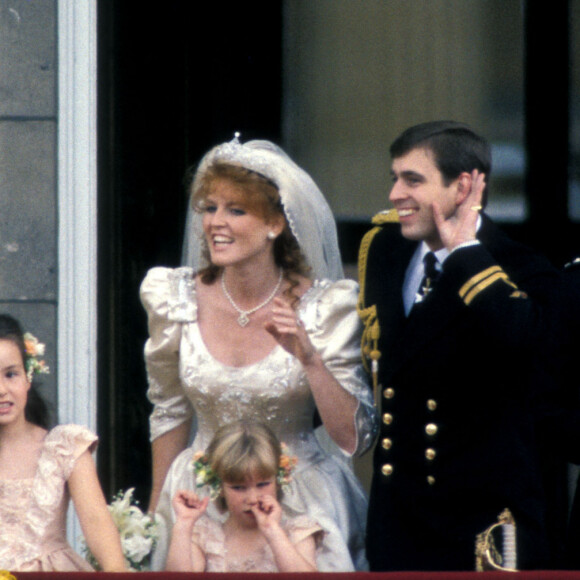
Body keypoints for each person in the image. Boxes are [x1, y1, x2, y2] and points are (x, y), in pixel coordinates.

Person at [140, 134, 377, 571]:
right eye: (210, 208)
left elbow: (353, 438)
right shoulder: (174, 298)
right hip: (201, 498)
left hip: (299, 502)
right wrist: (156, 517)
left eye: (236, 210)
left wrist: (309, 357)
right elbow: (169, 412)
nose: (216, 222)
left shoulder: (326, 307)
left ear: (275, 224)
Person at [357, 121, 562, 571]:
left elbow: (526, 341)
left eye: (413, 179)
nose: (394, 194)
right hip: (398, 522)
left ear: (464, 185)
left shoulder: (522, 269)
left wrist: (465, 252)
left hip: (481, 526)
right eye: (395, 177)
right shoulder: (386, 249)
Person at [0, 314, 126, 572]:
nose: (1, 389)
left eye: (11, 374)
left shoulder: (63, 447)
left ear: (28, 376)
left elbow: (97, 525)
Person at [166, 420, 322, 572]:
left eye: (262, 484)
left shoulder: (296, 532)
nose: (253, 499)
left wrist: (272, 531)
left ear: (279, 480)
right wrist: (184, 524)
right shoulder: (205, 536)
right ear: (219, 487)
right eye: (238, 487)